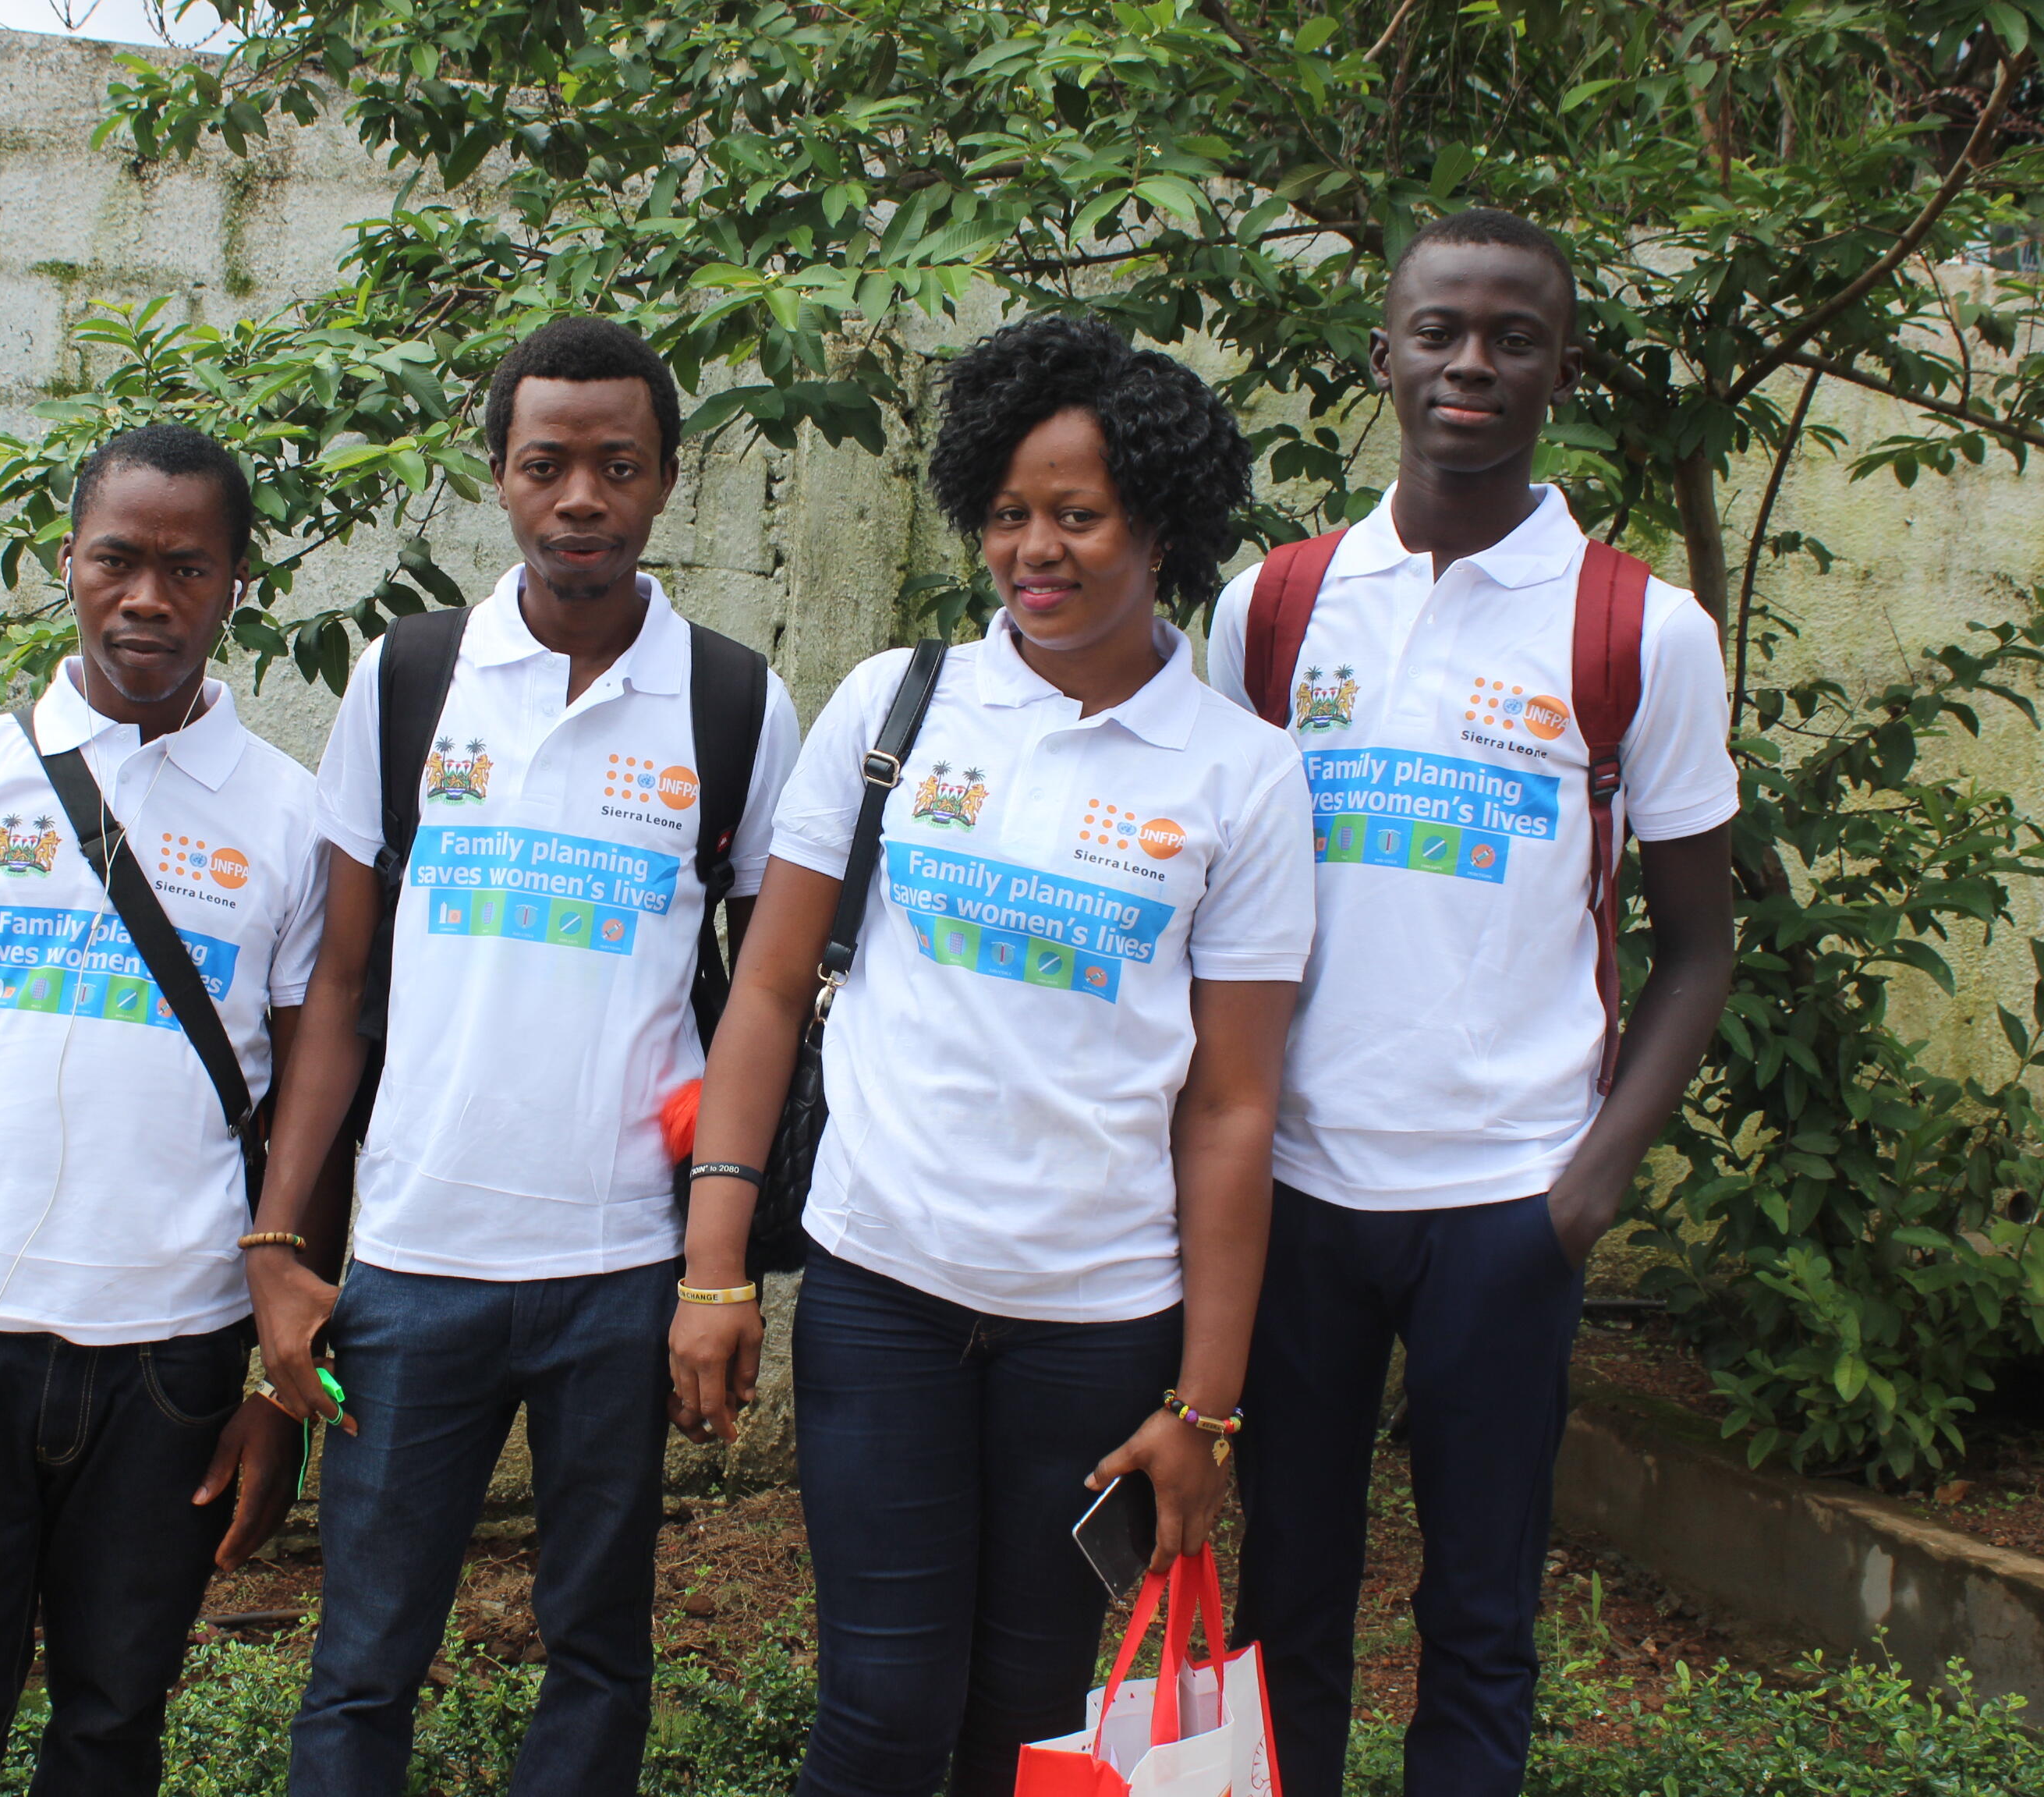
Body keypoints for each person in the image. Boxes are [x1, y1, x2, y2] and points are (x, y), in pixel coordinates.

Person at [676, 314, 1315, 1797]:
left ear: (1159, 524)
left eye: (1077, 516)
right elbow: (768, 993)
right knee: (882, 1709)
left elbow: (1231, 1103)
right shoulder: (901, 708)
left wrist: (1204, 1405)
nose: (1037, 550)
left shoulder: (1242, 775)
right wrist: (716, 1266)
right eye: (1010, 514)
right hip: (882, 1293)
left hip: (1097, 1327)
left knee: (1029, 1712)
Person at [1210, 208, 1740, 1797]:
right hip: (1292, 1193)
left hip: (1507, 1203)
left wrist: (1584, 1191)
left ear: (1560, 371)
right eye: (1440, 330)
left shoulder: (1637, 626)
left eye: (1514, 337)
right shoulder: (1277, 606)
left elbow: (1701, 946)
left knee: (1482, 1611)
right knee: (1281, 1597)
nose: (1471, 364)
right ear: (1383, 356)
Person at [246, 314, 802, 1795]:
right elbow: (339, 987)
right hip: (417, 1266)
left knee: (598, 1650)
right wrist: (282, 1240)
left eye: (617, 467)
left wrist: (716, 1267)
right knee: (363, 1658)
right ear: (497, 474)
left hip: (622, 1277)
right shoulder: (412, 677)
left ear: (665, 483)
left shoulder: (735, 702)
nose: (580, 499)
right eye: (547, 463)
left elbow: (766, 1007)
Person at [0, 422, 338, 1796]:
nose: (147, 597)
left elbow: (308, 1123)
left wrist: (276, 1397)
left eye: (187, 567)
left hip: (175, 1364)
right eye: (116, 559)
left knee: (114, 1727)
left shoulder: (286, 815)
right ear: (68, 564)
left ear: (235, 587)